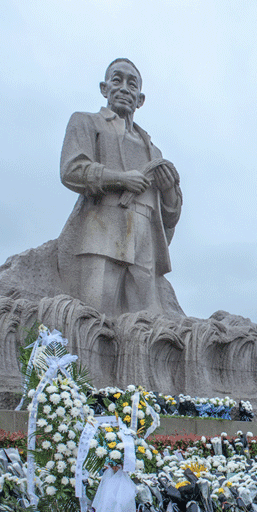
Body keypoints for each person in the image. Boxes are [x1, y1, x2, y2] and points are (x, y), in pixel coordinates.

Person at [55, 58, 183, 317]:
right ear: (104, 89)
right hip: (102, 233)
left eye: (132, 84)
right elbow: (72, 170)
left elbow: (169, 217)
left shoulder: (153, 149)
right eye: (117, 80)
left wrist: (170, 192)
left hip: (145, 244)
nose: (124, 88)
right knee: (93, 320)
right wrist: (121, 179)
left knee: (147, 327)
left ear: (140, 98)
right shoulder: (87, 122)